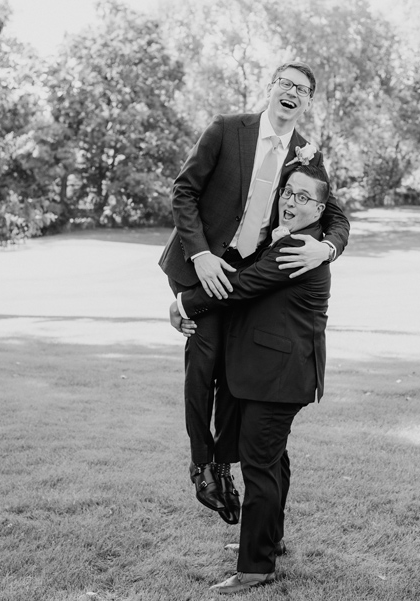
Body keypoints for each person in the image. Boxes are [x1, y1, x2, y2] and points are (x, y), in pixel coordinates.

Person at [158, 61, 349, 524]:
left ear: (307, 102)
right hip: (203, 266)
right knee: (203, 369)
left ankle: (224, 465)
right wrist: (201, 255)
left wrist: (326, 249)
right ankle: (203, 466)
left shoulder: (308, 153)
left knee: (235, 377)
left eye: (301, 90)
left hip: (252, 279)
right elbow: (184, 192)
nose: (291, 92)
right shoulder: (227, 129)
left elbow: (337, 217)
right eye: (285, 83)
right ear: (271, 89)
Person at [169, 163, 334, 594]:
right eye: (289, 193)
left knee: (260, 467)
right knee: (274, 461)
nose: (291, 202)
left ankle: (255, 567)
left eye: (303, 198)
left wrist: (184, 305)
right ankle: (269, 540)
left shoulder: (299, 248)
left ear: (320, 209)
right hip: (279, 373)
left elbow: (241, 285)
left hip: (277, 376)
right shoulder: (291, 240)